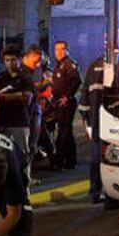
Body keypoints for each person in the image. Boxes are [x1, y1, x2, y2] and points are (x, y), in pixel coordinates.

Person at [0, 44, 35, 174]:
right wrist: (16, 95)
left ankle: (25, 182)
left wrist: (4, 96)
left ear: (19, 59)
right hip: (3, 121)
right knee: (1, 153)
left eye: (13, 60)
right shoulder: (0, 77)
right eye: (7, 60)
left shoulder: (26, 78)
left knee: (23, 154)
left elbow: (26, 99)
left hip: (20, 122)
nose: (10, 63)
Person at [20, 45, 51, 177]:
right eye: (36, 61)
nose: (37, 64)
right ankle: (23, 175)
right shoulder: (19, 71)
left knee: (32, 145)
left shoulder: (34, 70)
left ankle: (27, 174)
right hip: (23, 114)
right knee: (25, 146)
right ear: (27, 57)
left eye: (39, 61)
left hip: (34, 110)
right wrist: (44, 84)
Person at [50, 40, 81, 170]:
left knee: (63, 132)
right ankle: (70, 161)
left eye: (62, 49)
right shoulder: (59, 65)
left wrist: (67, 97)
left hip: (66, 103)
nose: (59, 52)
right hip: (59, 101)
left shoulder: (69, 64)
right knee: (66, 132)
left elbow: (77, 81)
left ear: (67, 50)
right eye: (57, 49)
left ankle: (60, 162)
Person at [78, 55, 105, 203]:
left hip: (95, 122)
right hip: (116, 123)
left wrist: (87, 123)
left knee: (95, 158)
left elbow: (84, 100)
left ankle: (95, 191)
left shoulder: (93, 66)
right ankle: (112, 196)